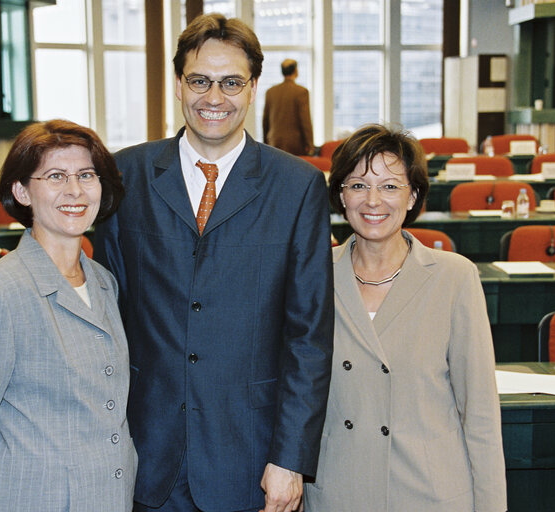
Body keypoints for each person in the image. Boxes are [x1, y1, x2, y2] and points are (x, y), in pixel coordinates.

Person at [93, 13, 334, 512]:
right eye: (200, 80)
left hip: (251, 459)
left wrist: (290, 459)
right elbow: (106, 312)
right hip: (146, 457)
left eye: (230, 82)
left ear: (253, 88)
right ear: (179, 84)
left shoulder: (298, 187)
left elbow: (308, 337)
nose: (214, 98)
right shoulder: (126, 176)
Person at [0, 120, 136, 511]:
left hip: (109, 496)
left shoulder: (103, 282)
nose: (74, 190)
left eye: (86, 175)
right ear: (21, 191)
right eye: (55, 176)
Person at [304, 124, 507, 511]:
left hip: (430, 491)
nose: (373, 200)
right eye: (358, 185)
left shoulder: (454, 276)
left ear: (413, 195)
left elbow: (479, 413)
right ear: (340, 195)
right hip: (338, 490)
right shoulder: (312, 277)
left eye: (390, 186)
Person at [262, 59, 314, 156]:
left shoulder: (271, 92)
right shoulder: (301, 92)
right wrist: (310, 144)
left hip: (274, 142)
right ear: (296, 71)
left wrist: (265, 142)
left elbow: (265, 121)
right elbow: (305, 120)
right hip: (295, 145)